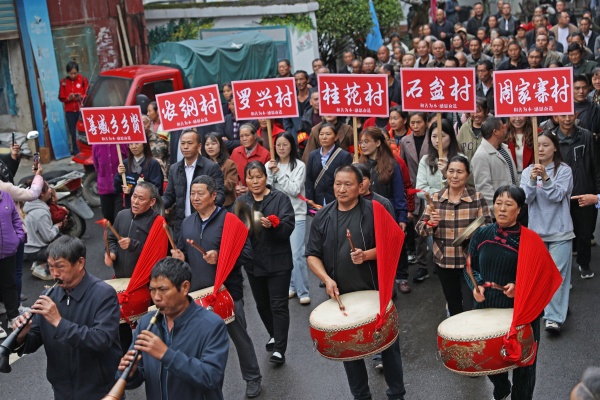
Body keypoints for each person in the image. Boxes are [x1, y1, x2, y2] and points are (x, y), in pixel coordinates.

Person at [306, 165, 406, 400]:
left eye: (348, 184)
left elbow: (394, 243)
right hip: (343, 294)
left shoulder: (376, 210)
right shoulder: (323, 216)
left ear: (360, 186)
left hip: (376, 292)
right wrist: (326, 278)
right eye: (337, 184)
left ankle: (397, 394)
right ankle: (361, 396)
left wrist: (367, 255)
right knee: (349, 350)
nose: (341, 189)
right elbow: (312, 254)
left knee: (388, 346)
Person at [466, 185, 561, 400]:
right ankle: (501, 386)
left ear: (519, 210)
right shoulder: (482, 234)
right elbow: (470, 266)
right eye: (498, 203)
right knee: (487, 357)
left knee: (524, 366)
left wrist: (520, 287)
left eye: (508, 204)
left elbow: (543, 278)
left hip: (521, 311)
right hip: (487, 307)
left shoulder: (530, 241)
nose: (501, 209)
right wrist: (476, 285)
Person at [172, 175, 262, 398]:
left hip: (227, 290)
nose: (195, 198)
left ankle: (253, 378)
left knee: (239, 336)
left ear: (214, 196)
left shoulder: (230, 220)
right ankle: (207, 385)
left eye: (200, 193)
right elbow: (182, 254)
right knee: (201, 345)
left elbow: (247, 254)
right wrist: (179, 256)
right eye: (192, 194)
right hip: (196, 294)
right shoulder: (186, 223)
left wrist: (221, 257)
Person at [12, 236, 122, 399]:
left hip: (100, 390)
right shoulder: (48, 296)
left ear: (80, 263)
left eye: (60, 267)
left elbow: (101, 340)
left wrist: (58, 321)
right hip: (62, 390)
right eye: (50, 266)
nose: (54, 273)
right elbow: (34, 340)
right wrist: (22, 335)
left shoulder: (103, 294)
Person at [116, 257, 229, 400]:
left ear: (185, 287)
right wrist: (131, 374)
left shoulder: (212, 326)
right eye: (152, 290)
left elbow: (211, 378)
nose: (156, 297)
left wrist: (166, 354)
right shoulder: (146, 324)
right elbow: (139, 374)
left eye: (163, 290)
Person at [416, 155, 492, 315]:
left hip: (470, 263)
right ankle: (457, 338)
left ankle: (472, 338)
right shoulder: (436, 198)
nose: (455, 176)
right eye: (451, 171)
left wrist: (471, 233)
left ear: (468, 175)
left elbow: (488, 229)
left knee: (471, 306)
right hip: (445, 262)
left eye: (460, 172)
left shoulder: (477, 198)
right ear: (445, 173)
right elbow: (420, 229)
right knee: (453, 305)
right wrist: (431, 224)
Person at [236, 161, 295, 364]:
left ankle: (280, 348)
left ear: (266, 177)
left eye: (259, 176)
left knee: (278, 305)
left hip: (278, 261)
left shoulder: (280, 198)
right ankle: (274, 333)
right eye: (250, 177)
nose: (255, 181)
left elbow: (288, 226)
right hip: (253, 262)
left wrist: (273, 225)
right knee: (262, 305)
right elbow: (236, 228)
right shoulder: (242, 201)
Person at [521, 132, 574, 333]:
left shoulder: (565, 170)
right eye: (538, 145)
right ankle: (553, 307)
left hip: (560, 231)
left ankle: (553, 318)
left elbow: (559, 195)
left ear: (555, 148)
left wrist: (546, 177)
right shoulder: (527, 172)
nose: (541, 149)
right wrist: (533, 180)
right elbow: (525, 199)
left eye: (545, 145)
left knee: (557, 274)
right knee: (542, 274)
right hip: (537, 232)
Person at [105, 182, 168, 351]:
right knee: (121, 327)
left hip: (145, 283)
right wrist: (112, 252)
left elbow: (157, 253)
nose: (135, 201)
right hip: (122, 280)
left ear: (152, 202)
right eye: (134, 196)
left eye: (141, 198)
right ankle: (125, 362)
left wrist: (133, 245)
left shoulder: (157, 222)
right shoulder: (122, 215)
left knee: (149, 328)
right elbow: (112, 238)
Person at [551, 113, 600, 279]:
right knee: (562, 232)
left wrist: (597, 194)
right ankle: (563, 269)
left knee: (585, 232)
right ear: (555, 117)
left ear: (576, 115)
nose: (567, 119)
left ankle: (584, 263)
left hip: (585, 190)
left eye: (570, 115)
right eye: (562, 115)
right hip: (561, 193)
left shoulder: (586, 135)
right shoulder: (551, 136)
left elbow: (595, 165)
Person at [267, 132, 310, 305]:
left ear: (291, 145)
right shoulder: (269, 164)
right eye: (278, 145)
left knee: (297, 254)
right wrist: (271, 172)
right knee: (283, 253)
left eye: (285, 144)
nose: (281, 148)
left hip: (296, 214)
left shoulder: (299, 165)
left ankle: (303, 290)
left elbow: (294, 189)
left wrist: (278, 173)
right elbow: (268, 188)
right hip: (277, 215)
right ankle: (291, 286)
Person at [162, 129, 225, 241]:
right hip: (181, 223)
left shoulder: (211, 167)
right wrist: (155, 203)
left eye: (190, 143)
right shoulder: (174, 168)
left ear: (199, 146)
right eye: (183, 143)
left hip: (205, 223)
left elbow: (219, 196)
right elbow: (169, 196)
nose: (185, 147)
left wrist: (205, 206)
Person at [401, 112, 430, 283]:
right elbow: (404, 167)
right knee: (419, 230)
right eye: (413, 123)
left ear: (425, 123)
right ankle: (422, 265)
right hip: (414, 189)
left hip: (430, 187)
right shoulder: (405, 141)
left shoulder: (434, 139)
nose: (416, 126)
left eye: (419, 122)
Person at [472, 117, 518, 213]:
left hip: (512, 207)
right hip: (500, 213)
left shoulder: (503, 148)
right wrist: (498, 209)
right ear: (495, 132)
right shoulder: (481, 156)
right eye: (502, 128)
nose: (504, 130)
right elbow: (484, 188)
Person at [305, 123, 353, 207]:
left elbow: (346, 180)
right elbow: (309, 179)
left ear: (336, 137)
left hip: (336, 201)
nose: (324, 137)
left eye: (328, 134)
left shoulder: (344, 155)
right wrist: (310, 199)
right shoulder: (313, 155)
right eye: (321, 134)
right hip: (317, 201)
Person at [24, 181, 64, 281]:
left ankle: (40, 262)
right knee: (65, 247)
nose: (50, 190)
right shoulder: (40, 213)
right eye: (48, 188)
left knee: (61, 237)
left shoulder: (31, 203)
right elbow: (48, 237)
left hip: (31, 248)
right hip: (35, 250)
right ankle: (44, 269)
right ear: (42, 193)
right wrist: (57, 226)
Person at [0, 188, 24, 338]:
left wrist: (18, 237)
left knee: (9, 284)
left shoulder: (6, 196)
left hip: (8, 250)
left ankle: (13, 317)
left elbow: (16, 217)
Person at [416, 119, 462, 198]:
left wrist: (445, 173)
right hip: (432, 208)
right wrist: (442, 194)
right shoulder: (425, 160)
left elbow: (462, 187)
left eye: (442, 136)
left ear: (451, 137)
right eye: (434, 136)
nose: (437, 140)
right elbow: (420, 190)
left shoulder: (461, 159)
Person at [115, 142, 164, 208]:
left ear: (144, 144)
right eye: (131, 144)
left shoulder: (153, 164)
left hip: (147, 208)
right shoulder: (125, 163)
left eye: (137, 143)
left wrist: (132, 190)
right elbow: (117, 189)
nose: (134, 146)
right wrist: (119, 174)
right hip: (130, 206)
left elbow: (157, 189)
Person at [58, 60, 88, 155]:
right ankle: (76, 152)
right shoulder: (63, 82)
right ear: (68, 72)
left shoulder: (83, 80)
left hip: (81, 110)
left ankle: (86, 150)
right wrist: (69, 98)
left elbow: (88, 93)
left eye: (75, 73)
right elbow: (61, 97)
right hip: (70, 111)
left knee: (84, 131)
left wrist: (81, 96)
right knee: (73, 132)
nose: (73, 75)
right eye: (71, 73)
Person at [93, 143, 129, 223]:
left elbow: (129, 160)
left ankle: (119, 234)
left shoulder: (122, 144)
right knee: (107, 215)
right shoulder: (96, 145)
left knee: (120, 216)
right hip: (104, 188)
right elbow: (96, 165)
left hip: (121, 188)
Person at [230, 124, 271, 192]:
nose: (244, 139)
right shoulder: (235, 152)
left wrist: (250, 189)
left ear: (255, 136)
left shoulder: (265, 154)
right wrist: (235, 187)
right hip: (238, 196)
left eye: (247, 135)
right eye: (241, 136)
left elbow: (268, 179)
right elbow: (230, 174)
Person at [202, 133, 238, 211]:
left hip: (225, 205)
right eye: (207, 144)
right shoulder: (202, 164)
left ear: (220, 145)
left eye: (213, 143)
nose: (210, 147)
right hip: (206, 204)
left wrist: (210, 183)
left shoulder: (229, 164)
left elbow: (229, 186)